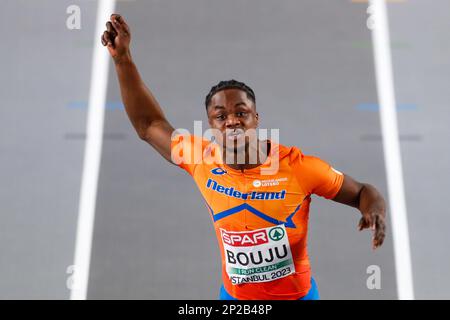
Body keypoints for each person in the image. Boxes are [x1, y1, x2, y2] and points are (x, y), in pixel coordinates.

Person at [101, 14, 387, 300]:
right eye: (221, 116)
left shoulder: (299, 169)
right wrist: (122, 59)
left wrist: (373, 209)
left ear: (256, 118)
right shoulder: (201, 158)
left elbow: (363, 191)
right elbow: (149, 125)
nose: (232, 122)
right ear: (211, 124)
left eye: (241, 112)